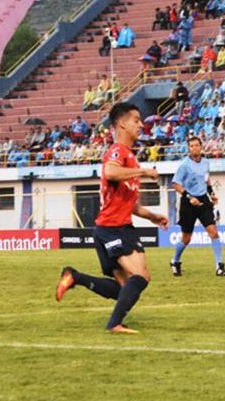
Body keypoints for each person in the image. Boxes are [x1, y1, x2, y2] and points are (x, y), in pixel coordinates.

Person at [55, 103, 169, 334]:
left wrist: (153, 216)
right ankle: (114, 324)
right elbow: (110, 171)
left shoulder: (130, 157)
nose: (140, 124)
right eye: (136, 120)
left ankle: (75, 277)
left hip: (112, 228)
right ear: (121, 124)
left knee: (124, 289)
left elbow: (129, 203)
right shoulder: (118, 152)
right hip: (114, 228)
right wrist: (144, 171)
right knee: (140, 277)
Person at [170, 136, 225, 277]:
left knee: (213, 233)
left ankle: (219, 266)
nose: (194, 148)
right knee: (186, 238)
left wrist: (212, 193)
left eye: (197, 145)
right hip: (188, 202)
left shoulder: (206, 163)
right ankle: (175, 261)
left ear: (201, 147)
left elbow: (206, 179)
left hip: (203, 201)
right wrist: (189, 197)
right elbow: (176, 184)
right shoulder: (184, 165)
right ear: (189, 148)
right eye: (191, 146)